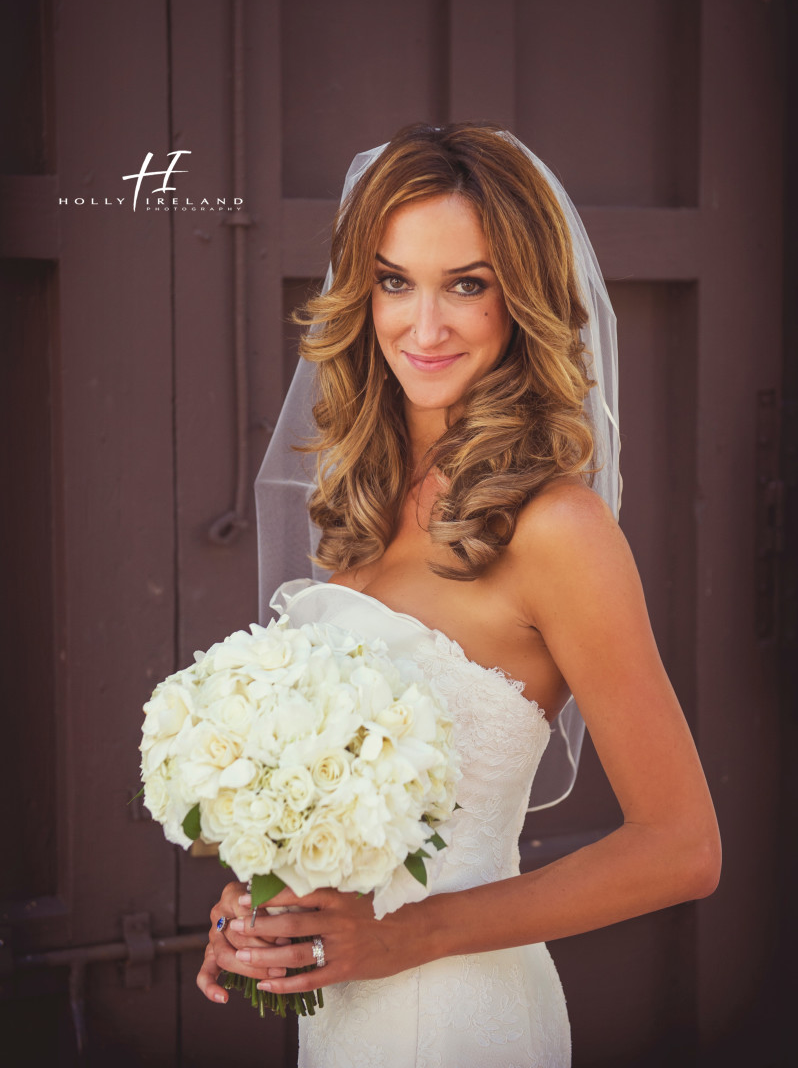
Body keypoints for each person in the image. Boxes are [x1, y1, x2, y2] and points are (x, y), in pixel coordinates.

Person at [196, 122, 721, 1067]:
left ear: (523, 300)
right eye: (396, 281)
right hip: (346, 1017)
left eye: (467, 285)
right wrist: (270, 900)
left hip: (460, 1018)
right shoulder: (359, 501)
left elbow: (682, 847)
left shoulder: (556, 528)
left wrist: (407, 936)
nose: (422, 326)